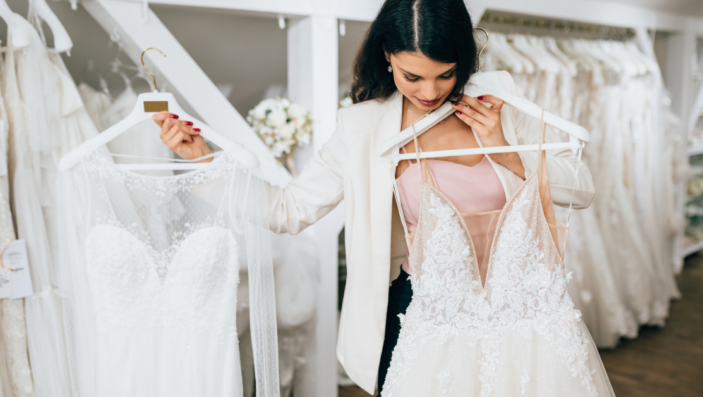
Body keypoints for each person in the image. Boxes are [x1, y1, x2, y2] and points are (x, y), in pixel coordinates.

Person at [152, 0, 597, 394]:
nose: (429, 92)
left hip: (517, 313)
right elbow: (286, 210)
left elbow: (581, 190)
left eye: (446, 74)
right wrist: (203, 163)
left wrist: (508, 149)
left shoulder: (499, 103)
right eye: (412, 76)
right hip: (423, 311)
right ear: (387, 57)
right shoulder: (362, 128)